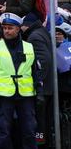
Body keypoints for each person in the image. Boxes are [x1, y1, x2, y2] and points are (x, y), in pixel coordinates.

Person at [0, 12, 42, 149]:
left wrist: (39, 91)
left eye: (10, 28)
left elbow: (35, 71)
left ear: (18, 29)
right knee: (4, 131)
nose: (7, 31)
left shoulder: (29, 47)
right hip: (5, 95)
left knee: (29, 130)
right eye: (5, 28)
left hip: (26, 95)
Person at [21, 12, 54, 148]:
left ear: (26, 25)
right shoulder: (41, 32)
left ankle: (40, 144)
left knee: (40, 122)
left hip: (42, 88)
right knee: (43, 121)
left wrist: (37, 82)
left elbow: (43, 61)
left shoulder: (34, 37)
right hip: (47, 87)